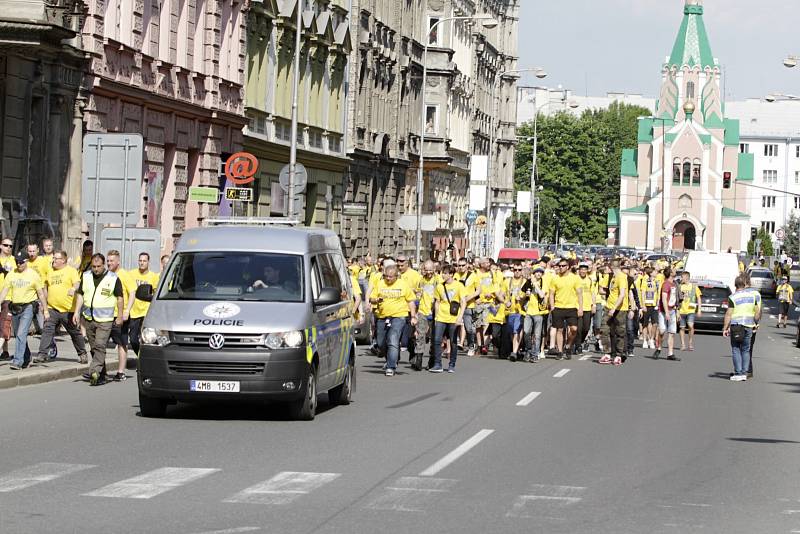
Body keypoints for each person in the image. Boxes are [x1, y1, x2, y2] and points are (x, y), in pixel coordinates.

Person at [73, 253, 124, 386]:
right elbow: (80, 295)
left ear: (104, 265)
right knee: (94, 348)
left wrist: (119, 316)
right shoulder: (86, 276)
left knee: (100, 345)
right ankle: (102, 375)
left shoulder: (113, 278)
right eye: (94, 266)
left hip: (105, 320)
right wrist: (77, 312)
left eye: (98, 266)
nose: (96, 269)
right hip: (89, 318)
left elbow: (119, 298)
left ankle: (94, 371)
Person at [33, 250, 87, 364]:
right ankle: (42, 354)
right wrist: (45, 305)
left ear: (63, 260)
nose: (53, 260)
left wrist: (73, 288)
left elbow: (77, 283)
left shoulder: (71, 271)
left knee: (74, 332)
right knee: (47, 330)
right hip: (53, 308)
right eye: (53, 258)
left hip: (68, 310)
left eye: (56, 258)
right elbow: (46, 289)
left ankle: (82, 353)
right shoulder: (51, 272)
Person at [0, 252, 48, 369]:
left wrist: (45, 310)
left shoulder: (33, 275)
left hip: (28, 307)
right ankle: (27, 357)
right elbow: (5, 291)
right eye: (17, 262)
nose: (18, 264)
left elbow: (41, 294)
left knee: (21, 333)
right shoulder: (11, 274)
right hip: (15, 307)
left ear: (26, 261)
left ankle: (17, 361)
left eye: (21, 262)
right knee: (18, 334)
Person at [370, 264, 417, 377]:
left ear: (396, 276)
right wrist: (376, 299)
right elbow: (371, 299)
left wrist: (413, 316)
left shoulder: (403, 285)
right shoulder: (380, 284)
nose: (388, 279)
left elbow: (410, 301)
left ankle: (391, 366)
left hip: (399, 316)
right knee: (381, 342)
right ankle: (391, 358)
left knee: (393, 339)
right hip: (382, 316)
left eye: (391, 277)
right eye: (386, 276)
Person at [723, 274, 761, 381]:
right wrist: (755, 323)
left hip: (736, 326)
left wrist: (725, 328)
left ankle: (738, 372)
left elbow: (728, 314)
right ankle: (744, 372)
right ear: (744, 285)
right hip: (749, 326)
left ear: (735, 285)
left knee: (735, 349)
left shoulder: (732, 297)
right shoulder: (752, 296)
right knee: (746, 349)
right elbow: (757, 312)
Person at [430, 265, 466, 372]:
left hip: (453, 318)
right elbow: (437, 302)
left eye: (445, 273)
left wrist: (460, 317)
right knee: (437, 340)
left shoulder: (459, 286)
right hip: (441, 317)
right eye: (442, 273)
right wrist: (436, 316)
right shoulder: (440, 286)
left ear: (451, 274)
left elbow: (463, 302)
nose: (443, 275)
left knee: (453, 341)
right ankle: (438, 364)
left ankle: (452, 364)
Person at [106, 250, 135, 381]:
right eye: (107, 261)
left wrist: (127, 310)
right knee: (100, 343)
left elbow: (132, 293)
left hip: (120, 315)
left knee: (121, 343)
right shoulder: (106, 275)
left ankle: (121, 371)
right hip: (106, 314)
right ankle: (101, 371)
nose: (109, 263)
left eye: (111, 261)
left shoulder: (124, 275)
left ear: (118, 261)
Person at [549, 258, 583, 360]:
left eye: (563, 266)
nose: (561, 268)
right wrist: (552, 306)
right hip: (558, 307)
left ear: (567, 267)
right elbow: (551, 294)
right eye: (559, 266)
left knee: (574, 329)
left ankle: (568, 345)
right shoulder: (555, 278)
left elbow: (580, 294)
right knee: (559, 329)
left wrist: (580, 308)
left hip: (571, 307)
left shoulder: (575, 278)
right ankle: (560, 351)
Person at [128, 252, 160, 356]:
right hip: (134, 311)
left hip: (146, 311)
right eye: (140, 261)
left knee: (146, 338)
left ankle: (145, 359)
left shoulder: (153, 276)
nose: (142, 263)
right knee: (133, 339)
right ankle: (140, 356)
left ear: (148, 262)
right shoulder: (131, 274)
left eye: (144, 261)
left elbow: (156, 294)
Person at [599, 260, 628, 365]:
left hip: (620, 309)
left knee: (620, 331)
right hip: (608, 306)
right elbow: (605, 291)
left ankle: (618, 355)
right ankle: (607, 353)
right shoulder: (613, 277)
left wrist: (614, 308)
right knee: (604, 329)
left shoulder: (622, 277)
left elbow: (622, 294)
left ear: (611, 267)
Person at [412, 261, 438, 371]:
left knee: (434, 337)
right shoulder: (421, 280)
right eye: (426, 269)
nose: (428, 272)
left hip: (435, 312)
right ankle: (419, 359)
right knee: (420, 336)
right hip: (422, 311)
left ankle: (432, 360)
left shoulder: (438, 280)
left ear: (434, 269)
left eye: (430, 269)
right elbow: (418, 294)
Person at [522, 266, 548, 362]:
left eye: (540, 272)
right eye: (537, 272)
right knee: (526, 332)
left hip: (538, 312)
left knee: (537, 335)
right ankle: (528, 350)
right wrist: (525, 295)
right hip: (528, 312)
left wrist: (535, 284)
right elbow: (522, 294)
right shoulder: (528, 283)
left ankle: (535, 354)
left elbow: (541, 294)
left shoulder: (543, 283)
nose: (538, 274)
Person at [655, 267, 679, 361]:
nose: (675, 271)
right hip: (664, 311)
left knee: (671, 332)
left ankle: (670, 353)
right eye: (673, 270)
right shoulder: (666, 284)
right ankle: (659, 347)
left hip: (673, 310)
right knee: (662, 331)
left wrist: (677, 311)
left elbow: (675, 298)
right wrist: (666, 312)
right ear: (670, 273)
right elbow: (664, 298)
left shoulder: (674, 284)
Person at [506, 264, 527, 361]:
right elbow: (501, 293)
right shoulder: (507, 281)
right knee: (511, 332)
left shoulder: (525, 282)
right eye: (515, 270)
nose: (517, 271)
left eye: (519, 269)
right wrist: (505, 301)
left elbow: (529, 295)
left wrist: (522, 297)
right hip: (510, 311)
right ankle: (517, 348)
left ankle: (514, 352)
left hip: (520, 311)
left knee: (516, 332)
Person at [677, 271, 702, 351]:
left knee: (690, 326)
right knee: (682, 328)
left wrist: (699, 310)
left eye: (682, 277)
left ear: (687, 277)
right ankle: (683, 344)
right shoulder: (680, 286)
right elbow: (676, 298)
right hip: (681, 310)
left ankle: (690, 342)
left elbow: (698, 298)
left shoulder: (694, 287)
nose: (681, 279)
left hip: (691, 309)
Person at [0, 237, 15, 359]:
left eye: (10, 246)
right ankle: (5, 352)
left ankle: (4, 351)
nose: (8, 248)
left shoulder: (14, 260)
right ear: (0, 246)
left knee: (5, 324)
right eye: (6, 245)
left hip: (8, 297)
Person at [639, 267, 661, 350]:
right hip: (647, 305)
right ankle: (645, 340)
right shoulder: (645, 281)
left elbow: (658, 292)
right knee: (645, 323)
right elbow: (643, 293)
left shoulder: (657, 281)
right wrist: (643, 305)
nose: (656, 273)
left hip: (654, 305)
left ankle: (651, 339)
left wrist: (658, 302)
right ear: (651, 273)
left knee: (655, 323)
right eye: (655, 271)